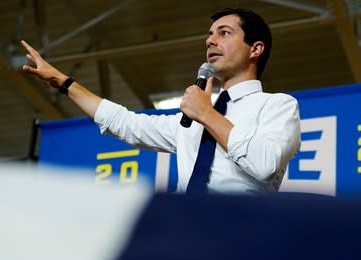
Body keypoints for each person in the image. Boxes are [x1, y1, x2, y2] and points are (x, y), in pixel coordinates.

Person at [21, 7, 301, 194]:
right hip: (185, 237)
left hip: (240, 237)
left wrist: (206, 114)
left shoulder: (278, 106)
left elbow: (265, 164)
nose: (210, 41)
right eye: (209, 35)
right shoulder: (193, 118)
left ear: (256, 48)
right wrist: (65, 82)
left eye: (224, 33)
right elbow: (125, 123)